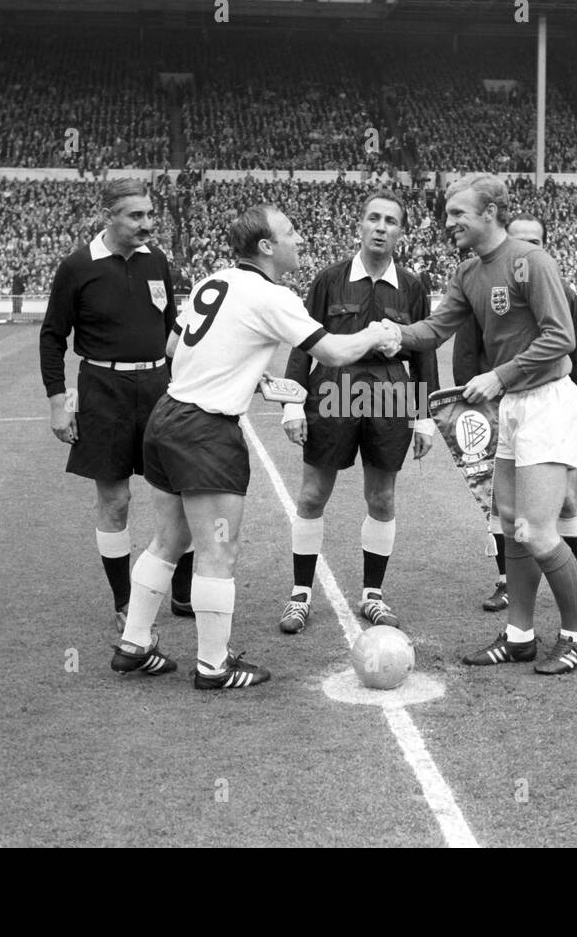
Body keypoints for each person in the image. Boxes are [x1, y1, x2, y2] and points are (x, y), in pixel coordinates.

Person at [111, 204, 396, 689]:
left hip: (167, 417)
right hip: (205, 431)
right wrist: (375, 332)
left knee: (169, 540)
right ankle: (213, 666)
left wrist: (244, 369)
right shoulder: (272, 295)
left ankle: (134, 645)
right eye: (290, 232)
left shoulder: (213, 279)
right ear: (266, 247)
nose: (299, 239)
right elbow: (332, 352)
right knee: (219, 551)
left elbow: (174, 350)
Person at [377, 174, 577, 676]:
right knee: (512, 528)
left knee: (538, 531)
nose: (448, 222)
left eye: (458, 214)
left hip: (545, 401)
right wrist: (393, 334)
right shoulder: (468, 272)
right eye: (448, 213)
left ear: (490, 213)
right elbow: (436, 328)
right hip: (512, 405)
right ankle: (519, 637)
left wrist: (499, 375)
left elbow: (561, 337)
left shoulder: (532, 262)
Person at [276, 191, 439, 635]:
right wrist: (293, 402)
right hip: (333, 390)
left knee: (382, 497)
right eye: (374, 218)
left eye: (391, 221)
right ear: (360, 226)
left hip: (390, 395)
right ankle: (300, 595)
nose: (381, 226)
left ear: (401, 232)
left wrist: (425, 414)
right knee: (312, 495)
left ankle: (372, 595)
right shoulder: (329, 279)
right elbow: (303, 343)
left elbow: (424, 352)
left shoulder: (413, 285)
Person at [40, 178, 194, 634]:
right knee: (116, 500)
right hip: (102, 389)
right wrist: (56, 402)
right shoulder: (78, 266)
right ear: (109, 216)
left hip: (158, 388)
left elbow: (171, 331)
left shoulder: (158, 261)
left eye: (150, 214)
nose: (148, 224)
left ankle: (182, 594)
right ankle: (124, 600)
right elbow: (52, 336)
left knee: (180, 493)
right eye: (136, 216)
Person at [452, 213, 577, 618]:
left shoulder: (557, 289)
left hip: (550, 403)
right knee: (502, 504)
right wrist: (473, 403)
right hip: (499, 404)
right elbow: (466, 351)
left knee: (566, 500)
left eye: (534, 241)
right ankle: (508, 588)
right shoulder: (483, 280)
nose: (525, 249)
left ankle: (576, 587)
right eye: (518, 240)